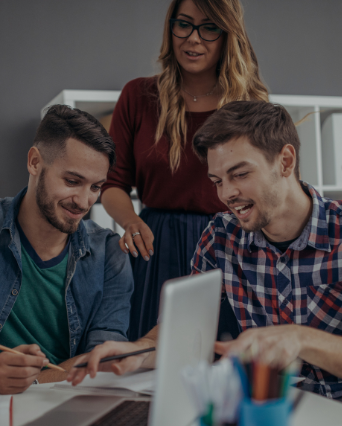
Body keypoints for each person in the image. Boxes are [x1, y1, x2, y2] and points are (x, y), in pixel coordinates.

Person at [70, 101, 342, 426]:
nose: (226, 194)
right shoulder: (221, 236)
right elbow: (183, 332)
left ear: (285, 161)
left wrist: (299, 340)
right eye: (218, 181)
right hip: (270, 405)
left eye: (240, 175)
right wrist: (137, 352)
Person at [100, 0, 269, 340]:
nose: (193, 39)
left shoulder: (250, 104)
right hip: (156, 248)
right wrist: (131, 221)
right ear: (170, 27)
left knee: (225, 361)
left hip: (230, 247)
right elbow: (113, 183)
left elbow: (263, 188)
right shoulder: (137, 95)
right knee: (151, 361)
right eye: (184, 24)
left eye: (208, 28)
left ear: (227, 35)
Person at [0, 104, 144, 394]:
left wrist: (35, 382)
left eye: (96, 187)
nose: (84, 202)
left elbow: (102, 357)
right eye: (72, 181)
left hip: (61, 399)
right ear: (34, 162)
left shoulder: (111, 253)